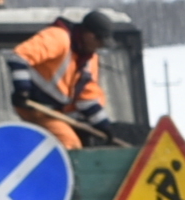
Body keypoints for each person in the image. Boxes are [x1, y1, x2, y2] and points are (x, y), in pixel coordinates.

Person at [7, 9, 114, 149]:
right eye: (99, 41)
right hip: (34, 107)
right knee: (70, 144)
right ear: (88, 35)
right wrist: (23, 90)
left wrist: (104, 127)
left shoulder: (90, 60)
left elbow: (87, 99)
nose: (100, 46)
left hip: (57, 112)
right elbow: (18, 57)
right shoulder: (58, 38)